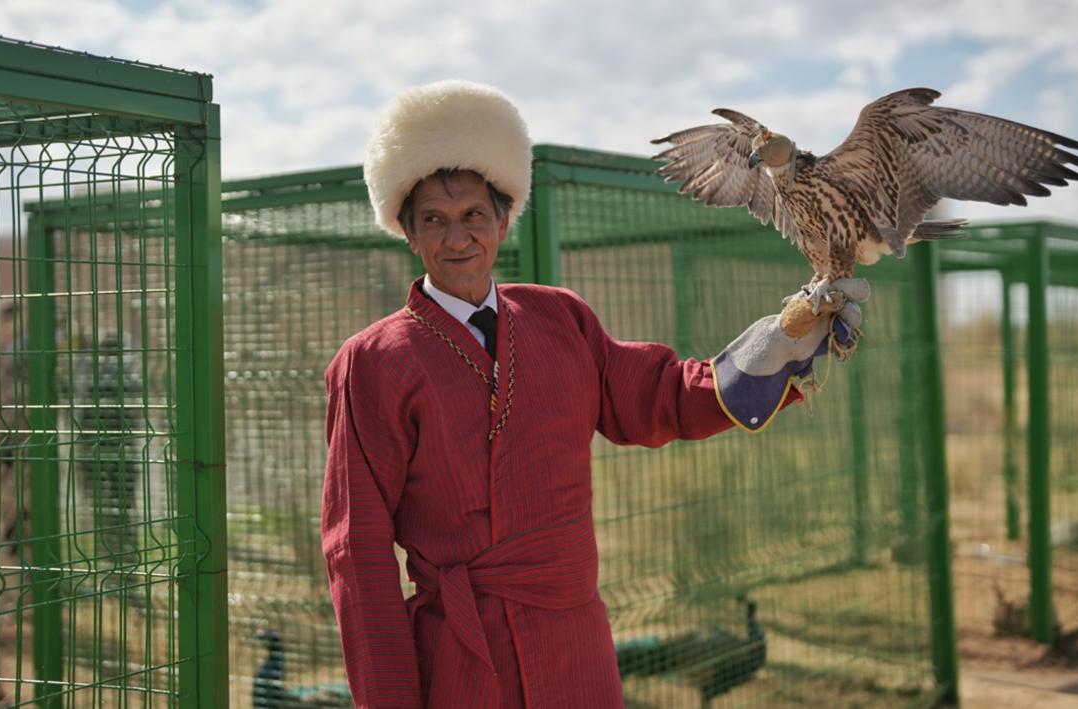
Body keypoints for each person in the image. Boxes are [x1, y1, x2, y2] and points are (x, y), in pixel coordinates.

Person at [321, 80, 866, 708]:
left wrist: (778, 347)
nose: (457, 237)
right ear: (408, 234)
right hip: (462, 659)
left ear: (503, 220)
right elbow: (356, 550)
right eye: (433, 221)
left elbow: (659, 395)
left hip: (576, 647)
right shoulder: (373, 363)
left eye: (473, 215)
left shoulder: (559, 318)